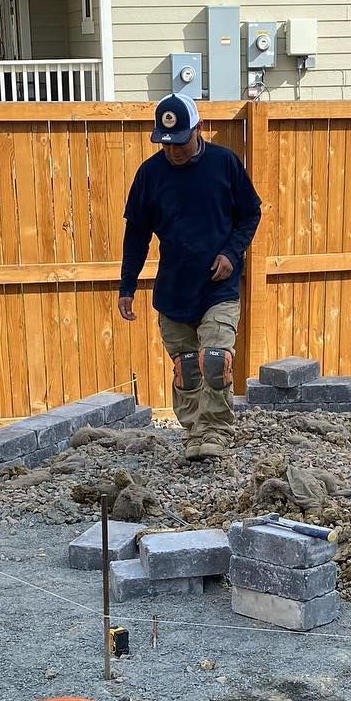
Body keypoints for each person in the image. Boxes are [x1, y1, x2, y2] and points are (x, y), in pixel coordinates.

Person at [118, 93, 262, 461]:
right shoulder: (150, 175)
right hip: (174, 288)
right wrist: (127, 286)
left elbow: (250, 214)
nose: (174, 150)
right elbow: (136, 233)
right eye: (167, 144)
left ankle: (216, 430)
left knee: (214, 358)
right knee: (186, 367)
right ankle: (195, 431)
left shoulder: (224, 163)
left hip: (219, 286)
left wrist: (231, 253)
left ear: (198, 129)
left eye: (181, 141)